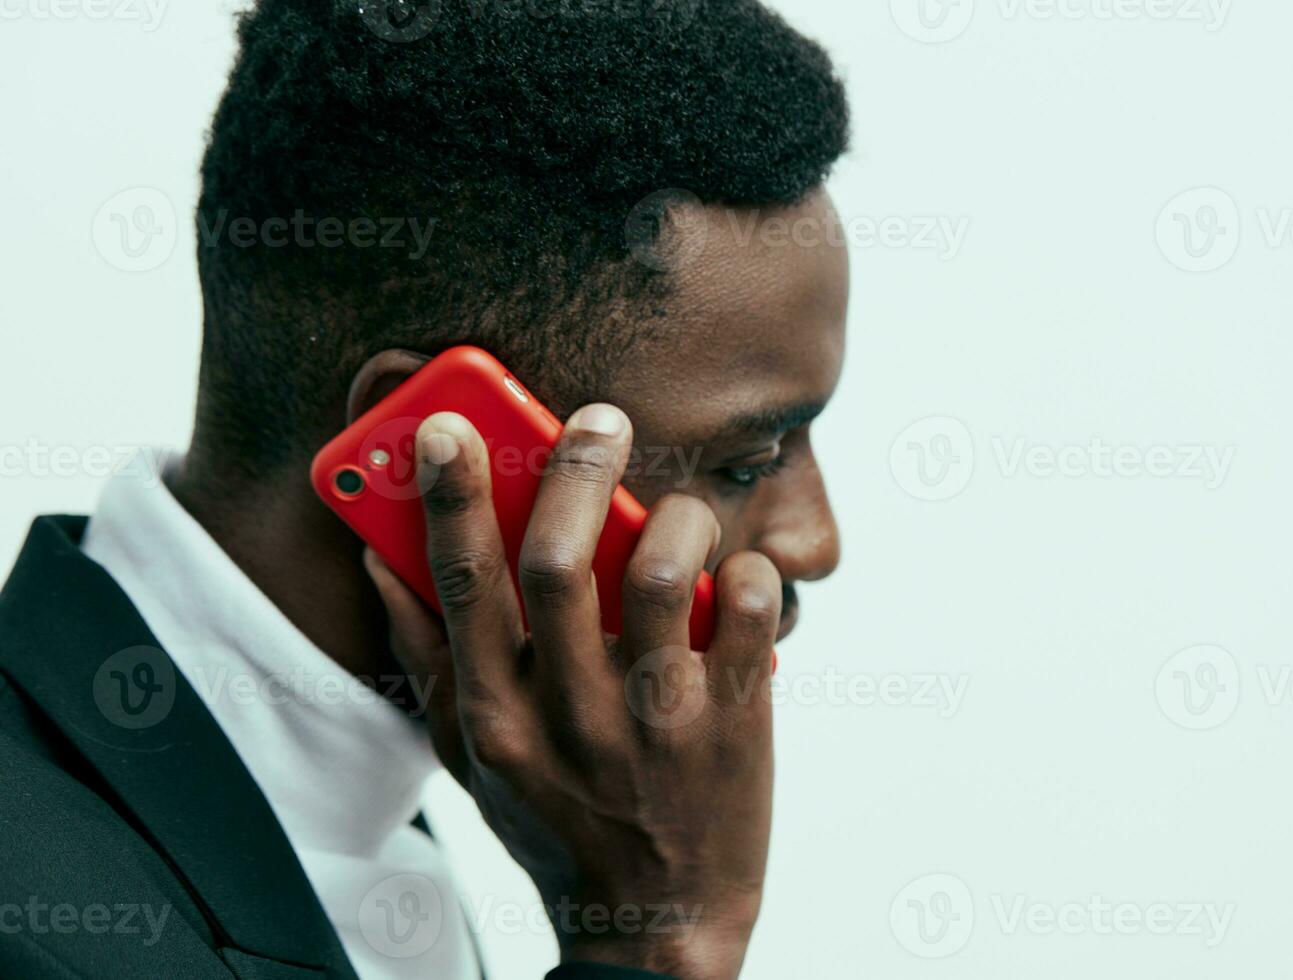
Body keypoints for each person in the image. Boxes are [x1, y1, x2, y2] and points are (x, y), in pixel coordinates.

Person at [0, 1, 849, 977]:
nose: (815, 541)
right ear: (426, 449)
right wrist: (655, 940)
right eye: (748, 460)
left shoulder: (380, 808)